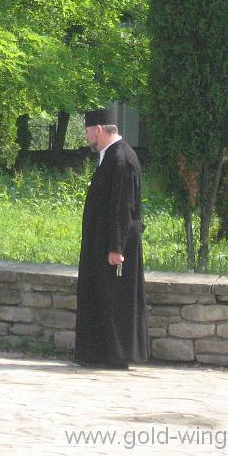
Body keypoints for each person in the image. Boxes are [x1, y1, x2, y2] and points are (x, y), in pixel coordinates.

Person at [75, 108, 148, 369]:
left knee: (115, 301)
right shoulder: (110, 157)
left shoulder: (121, 159)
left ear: (98, 129)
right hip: (102, 245)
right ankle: (99, 353)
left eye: (87, 132)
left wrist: (116, 247)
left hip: (115, 248)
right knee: (101, 298)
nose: (86, 138)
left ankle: (117, 355)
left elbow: (122, 207)